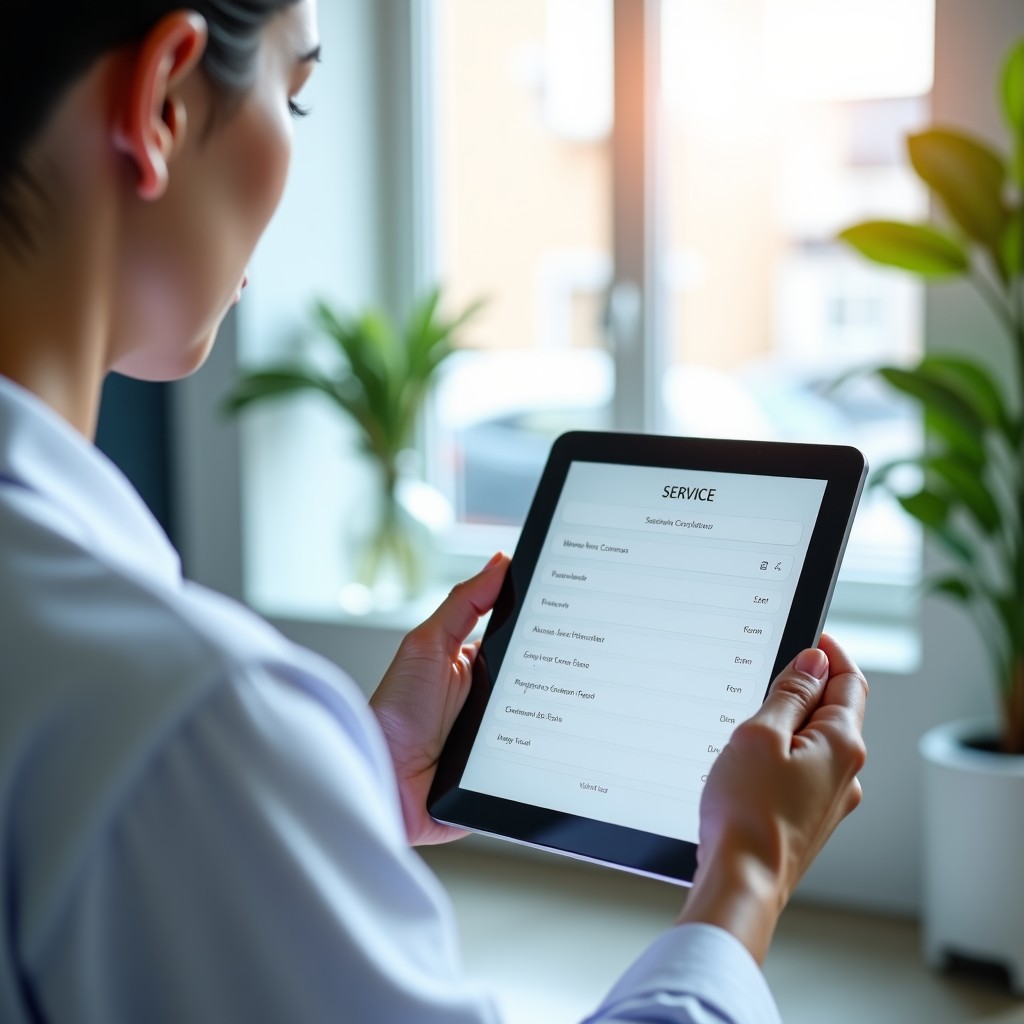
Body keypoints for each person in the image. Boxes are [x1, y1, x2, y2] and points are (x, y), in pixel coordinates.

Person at [0, 2, 868, 1021]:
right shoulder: (184, 711)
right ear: (164, 102)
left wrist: (349, 779)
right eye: (297, 95)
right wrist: (747, 877)